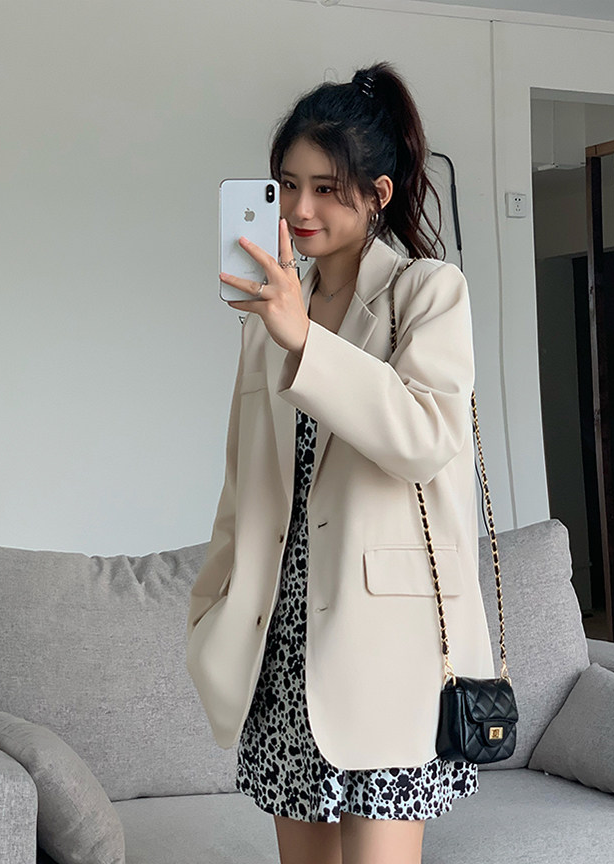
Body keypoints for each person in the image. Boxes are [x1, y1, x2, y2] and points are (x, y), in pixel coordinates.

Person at [186, 62, 495, 864]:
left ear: (378, 195)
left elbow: (425, 439)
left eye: (327, 189)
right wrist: (211, 602)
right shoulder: (266, 317)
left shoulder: (427, 293)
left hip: (389, 655)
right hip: (281, 646)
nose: (299, 209)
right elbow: (242, 485)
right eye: (288, 185)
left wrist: (304, 341)